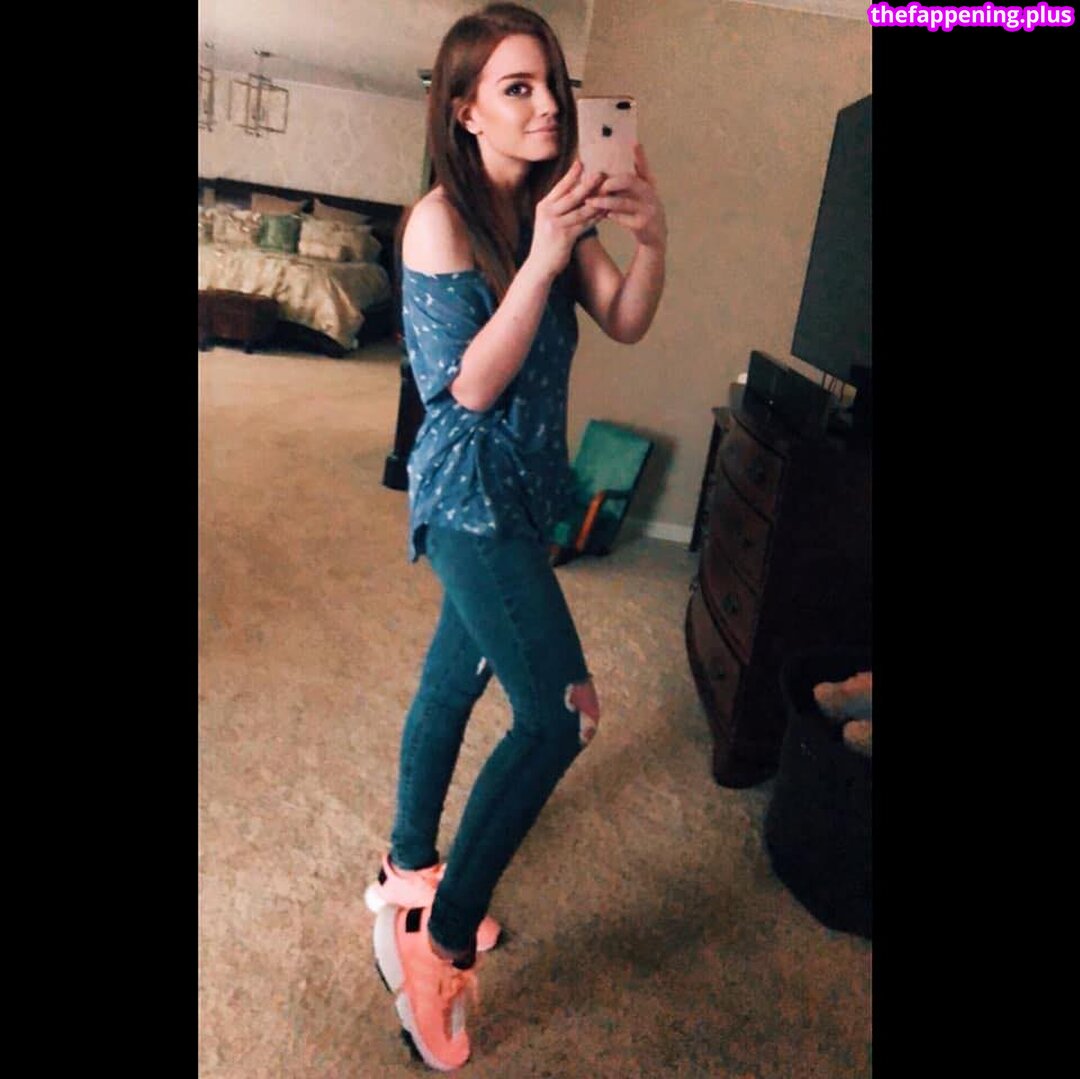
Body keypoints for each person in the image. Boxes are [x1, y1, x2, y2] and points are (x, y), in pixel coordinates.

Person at [366, 3, 667, 1070]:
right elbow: (471, 388)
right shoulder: (439, 223)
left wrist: (650, 237)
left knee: (453, 679)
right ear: (465, 112)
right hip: (468, 496)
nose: (547, 107)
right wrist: (540, 259)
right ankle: (438, 946)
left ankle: (406, 875)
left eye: (552, 85)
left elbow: (626, 318)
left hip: (531, 489)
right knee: (560, 714)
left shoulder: (555, 208)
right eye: (518, 88)